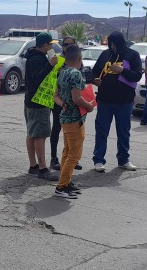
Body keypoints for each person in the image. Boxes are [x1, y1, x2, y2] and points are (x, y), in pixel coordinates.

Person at [90, 31, 142, 172]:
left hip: (124, 101)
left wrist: (122, 70)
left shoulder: (133, 55)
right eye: (110, 44)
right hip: (105, 100)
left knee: (123, 131)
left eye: (114, 44)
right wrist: (95, 80)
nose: (111, 47)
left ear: (119, 43)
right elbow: (94, 72)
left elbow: (137, 76)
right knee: (101, 130)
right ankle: (99, 160)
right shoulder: (105, 55)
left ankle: (124, 160)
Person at [53, 45, 95, 199]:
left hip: (65, 117)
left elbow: (55, 96)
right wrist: (89, 105)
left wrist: (62, 104)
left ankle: (66, 182)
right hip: (75, 119)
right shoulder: (75, 74)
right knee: (74, 155)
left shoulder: (62, 72)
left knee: (67, 152)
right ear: (79, 59)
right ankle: (61, 186)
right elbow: (77, 98)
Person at [24, 32, 59, 180]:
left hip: (31, 100)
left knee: (32, 132)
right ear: (45, 45)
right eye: (50, 44)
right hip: (39, 101)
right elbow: (38, 79)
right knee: (40, 134)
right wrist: (50, 66)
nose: (52, 46)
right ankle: (43, 168)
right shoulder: (38, 59)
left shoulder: (32, 56)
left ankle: (33, 165)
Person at [50, 36, 82, 172]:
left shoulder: (76, 60)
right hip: (59, 101)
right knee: (57, 129)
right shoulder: (57, 60)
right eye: (65, 44)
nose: (67, 46)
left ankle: (72, 159)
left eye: (71, 44)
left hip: (74, 104)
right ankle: (54, 158)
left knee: (72, 133)